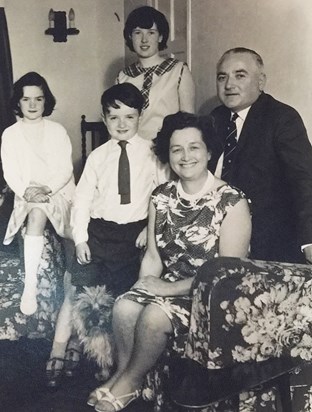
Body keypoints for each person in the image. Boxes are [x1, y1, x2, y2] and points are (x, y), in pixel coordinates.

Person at [86, 111, 251, 412]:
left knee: (153, 316)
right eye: (176, 149)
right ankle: (125, 378)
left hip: (211, 297)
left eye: (194, 147)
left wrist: (166, 290)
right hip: (167, 290)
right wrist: (142, 288)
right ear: (167, 155)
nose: (185, 156)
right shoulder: (161, 197)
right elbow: (152, 256)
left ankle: (131, 382)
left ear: (209, 151)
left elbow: (225, 274)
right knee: (124, 306)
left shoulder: (231, 200)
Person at [46, 83, 163, 388]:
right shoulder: (98, 157)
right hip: (99, 232)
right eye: (114, 117)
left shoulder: (152, 154)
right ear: (104, 117)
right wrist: (81, 238)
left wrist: (147, 230)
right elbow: (82, 199)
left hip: (132, 235)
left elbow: (162, 196)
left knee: (121, 297)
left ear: (140, 116)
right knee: (81, 290)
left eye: (129, 116)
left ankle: (114, 361)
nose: (122, 124)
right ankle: (75, 350)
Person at [209, 47, 312, 264]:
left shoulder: (282, 118)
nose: (229, 85)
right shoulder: (215, 118)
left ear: (261, 81)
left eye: (240, 75)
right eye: (222, 77)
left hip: (268, 242)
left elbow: (305, 180)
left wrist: (309, 239)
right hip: (215, 234)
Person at [0, 71, 75, 316]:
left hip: (57, 191)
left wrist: (47, 189)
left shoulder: (57, 130)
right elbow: (10, 172)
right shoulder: (10, 134)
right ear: (18, 103)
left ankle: (73, 279)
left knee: (69, 229)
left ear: (46, 101)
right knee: (36, 212)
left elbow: (65, 170)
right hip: (28, 195)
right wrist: (27, 192)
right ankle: (30, 285)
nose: (32, 105)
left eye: (38, 99)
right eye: (26, 99)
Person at [116, 6, 195, 143]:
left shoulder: (179, 71)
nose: (144, 40)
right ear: (130, 36)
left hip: (166, 151)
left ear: (161, 37)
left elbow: (189, 123)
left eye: (151, 33)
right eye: (137, 33)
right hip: (132, 151)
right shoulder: (122, 77)